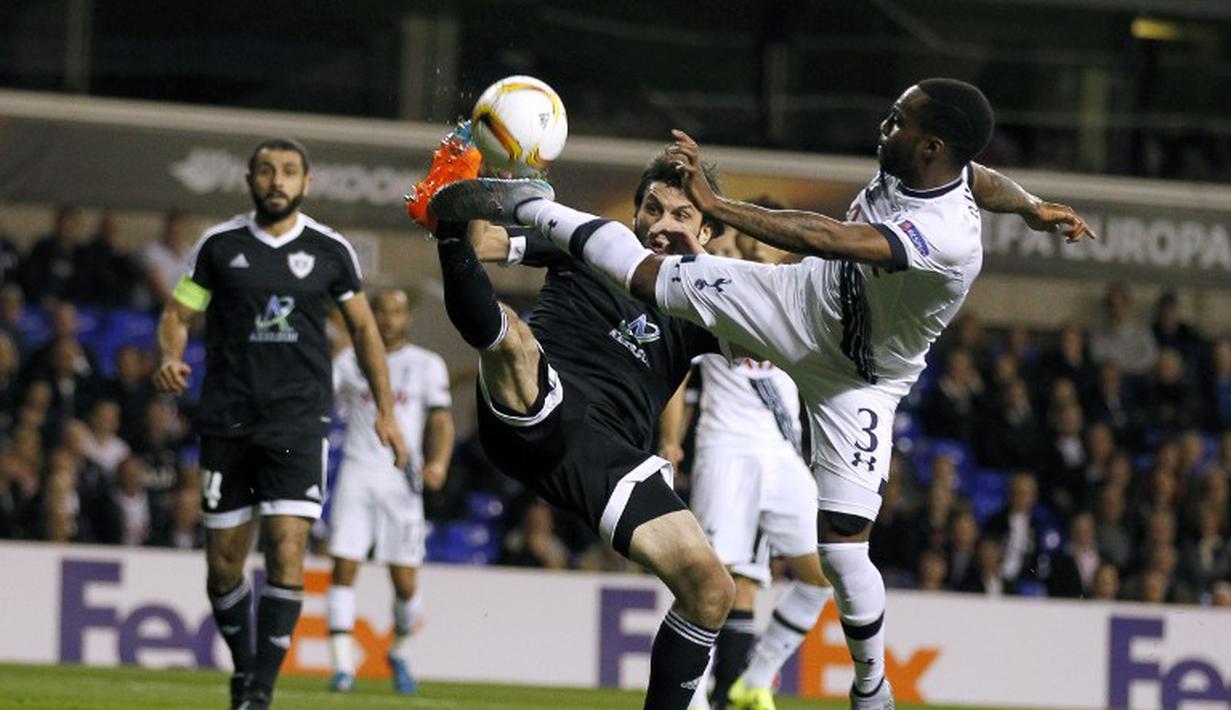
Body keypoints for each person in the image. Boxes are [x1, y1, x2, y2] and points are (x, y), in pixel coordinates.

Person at [430, 77, 1095, 709]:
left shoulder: (945, 237)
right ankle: (532, 202)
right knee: (607, 289)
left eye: (898, 121)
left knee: (828, 553)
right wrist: (1031, 205)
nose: (883, 126)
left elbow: (834, 238)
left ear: (932, 148)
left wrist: (718, 209)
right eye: (653, 209)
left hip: (860, 380)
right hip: (780, 315)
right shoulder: (930, 170)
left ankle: (870, 687)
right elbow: (982, 178)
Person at [410, 124, 736, 710]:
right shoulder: (586, 243)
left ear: (706, 230)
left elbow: (770, 341)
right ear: (635, 214)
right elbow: (489, 245)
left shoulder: (712, 296)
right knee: (511, 336)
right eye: (652, 208)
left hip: (610, 461)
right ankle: (444, 235)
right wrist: (477, 191)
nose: (662, 224)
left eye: (682, 215)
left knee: (711, 589)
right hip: (538, 407)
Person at [153, 137, 407, 710]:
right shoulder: (218, 247)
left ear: (306, 183)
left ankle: (259, 693)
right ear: (249, 180)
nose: (277, 180)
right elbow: (179, 311)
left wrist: (386, 412)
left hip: (298, 422)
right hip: (227, 419)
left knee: (288, 551)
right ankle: (247, 670)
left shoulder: (330, 250)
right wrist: (171, 354)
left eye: (289, 171)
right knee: (223, 567)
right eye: (266, 170)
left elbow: (365, 331)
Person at [657, 225, 830, 710]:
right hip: (725, 449)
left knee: (824, 571)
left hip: (781, 455)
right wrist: (671, 440)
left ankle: (757, 678)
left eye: (741, 244)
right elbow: (678, 376)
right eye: (724, 246)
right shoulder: (704, 295)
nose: (733, 252)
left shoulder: (786, 295)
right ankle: (691, 699)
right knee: (712, 582)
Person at [325, 287, 455, 695]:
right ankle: (343, 667)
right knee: (343, 567)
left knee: (405, 583)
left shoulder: (426, 365)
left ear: (407, 318)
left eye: (396, 312)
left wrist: (438, 464)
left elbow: (440, 422)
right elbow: (319, 395)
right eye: (381, 311)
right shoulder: (349, 361)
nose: (388, 319)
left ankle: (399, 651)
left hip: (402, 481)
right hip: (357, 474)